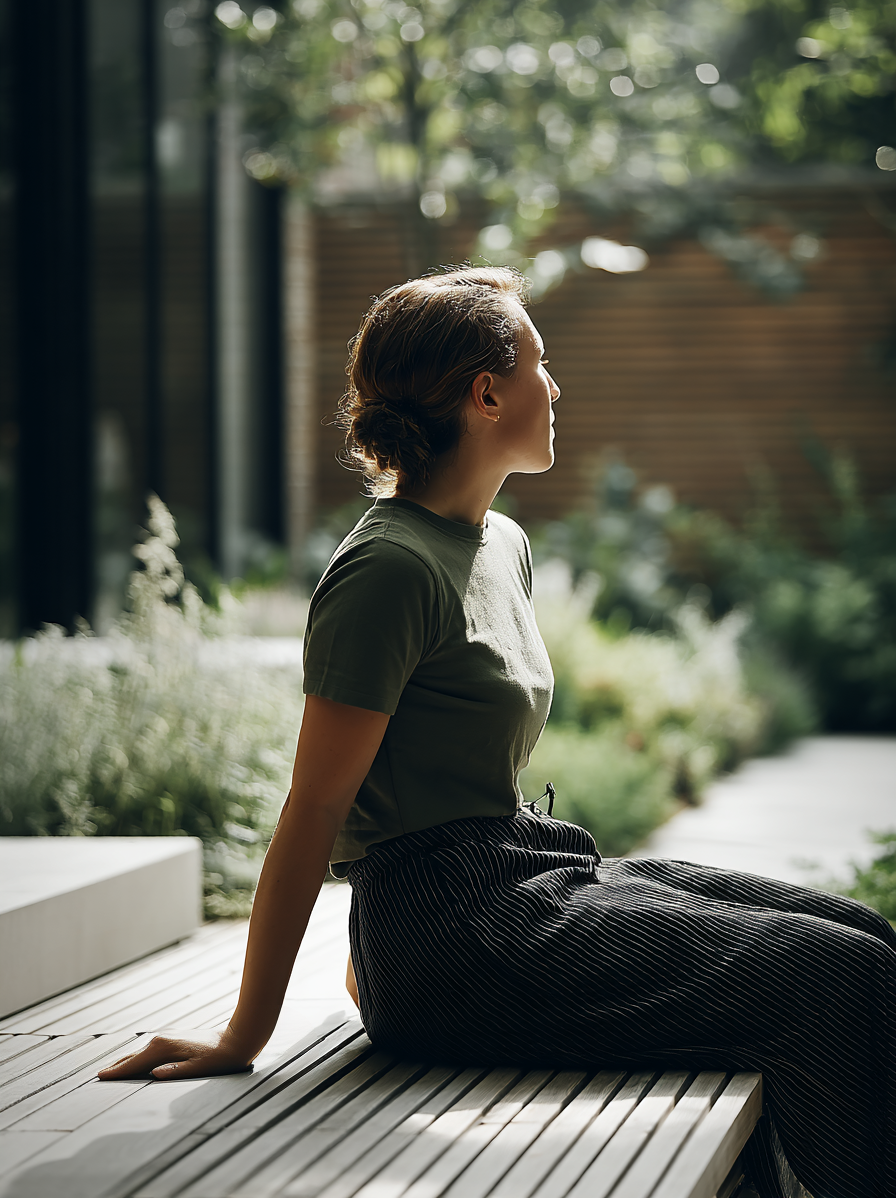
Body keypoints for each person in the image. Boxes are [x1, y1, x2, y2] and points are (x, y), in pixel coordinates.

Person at [101, 267, 895, 1198]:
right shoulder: (387, 571)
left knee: (857, 932)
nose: (555, 387)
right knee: (840, 981)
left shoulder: (500, 544)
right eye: (540, 364)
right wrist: (249, 1031)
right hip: (453, 933)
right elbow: (315, 806)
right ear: (486, 393)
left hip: (526, 875)